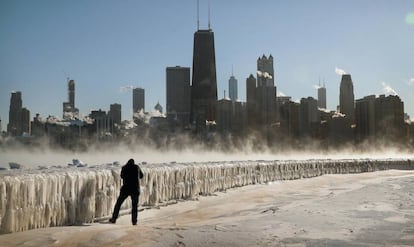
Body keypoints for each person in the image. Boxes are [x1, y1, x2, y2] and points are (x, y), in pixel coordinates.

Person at [109, 158, 144, 225]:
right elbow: (141, 176)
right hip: (135, 189)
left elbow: (122, 176)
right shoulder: (137, 167)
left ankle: (114, 218)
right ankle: (134, 221)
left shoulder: (124, 167)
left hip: (126, 189)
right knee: (134, 206)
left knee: (118, 203)